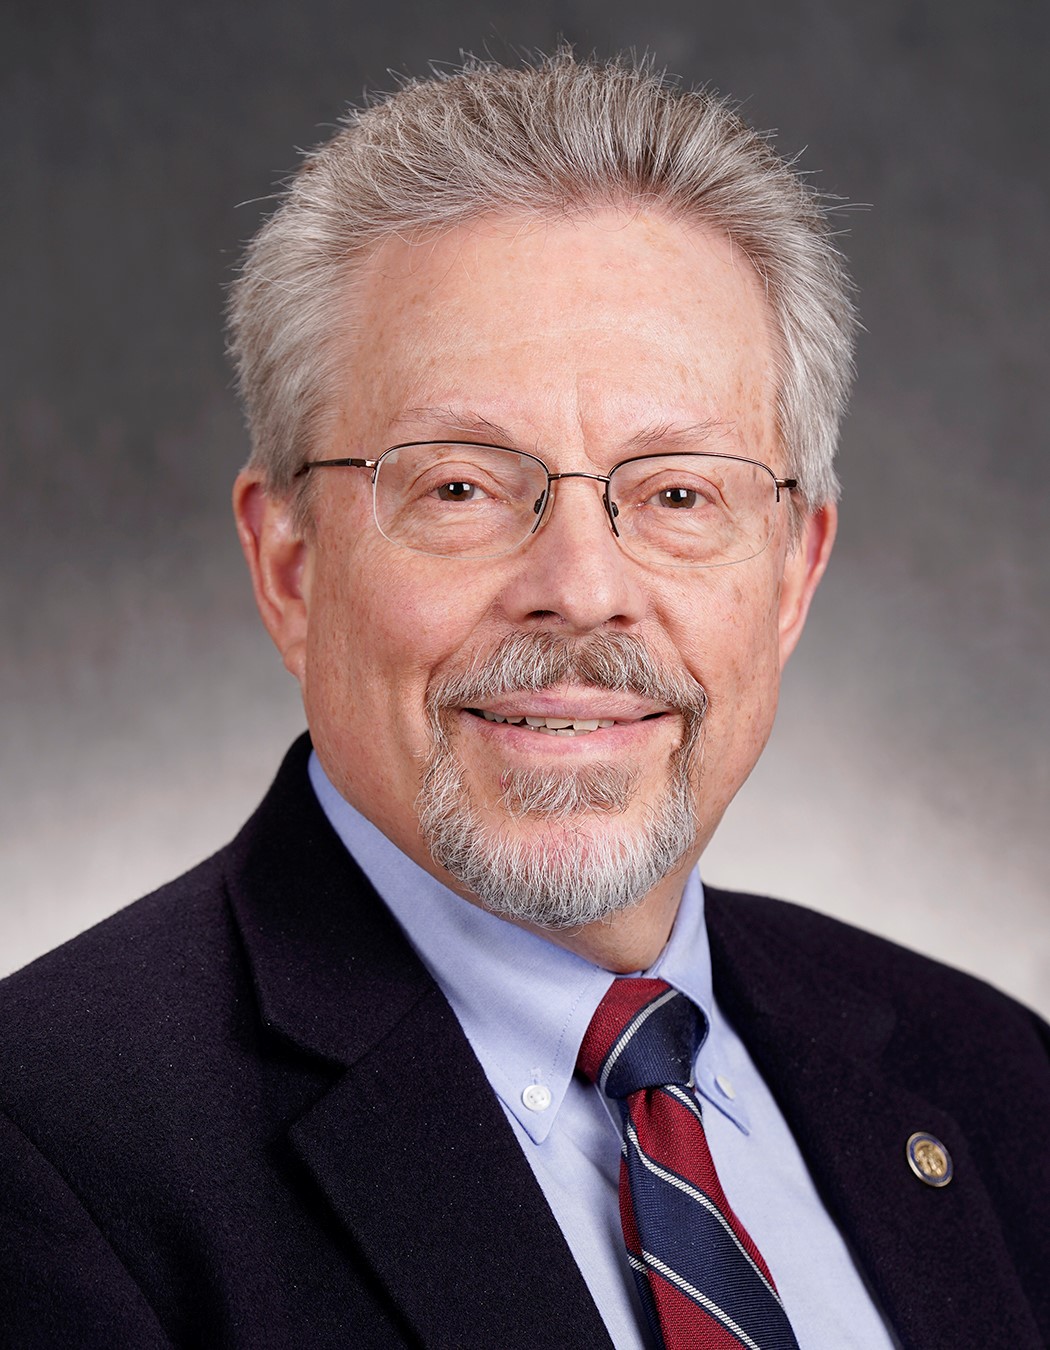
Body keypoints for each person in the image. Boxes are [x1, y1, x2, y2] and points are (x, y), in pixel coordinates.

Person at [1, 52, 1046, 1350]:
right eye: (459, 488)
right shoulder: (47, 1153)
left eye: (675, 493)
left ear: (792, 572)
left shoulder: (995, 1079)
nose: (581, 587)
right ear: (290, 566)